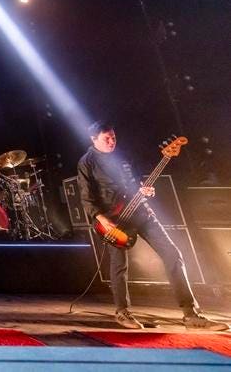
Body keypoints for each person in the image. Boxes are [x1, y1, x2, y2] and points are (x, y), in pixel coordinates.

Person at [76, 121, 228, 331]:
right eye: (106, 138)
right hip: (114, 220)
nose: (112, 142)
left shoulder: (123, 155)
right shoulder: (87, 162)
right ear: (94, 139)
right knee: (119, 266)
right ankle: (122, 312)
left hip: (141, 212)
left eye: (113, 137)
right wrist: (101, 219)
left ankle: (191, 313)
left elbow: (135, 180)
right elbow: (86, 197)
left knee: (173, 254)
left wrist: (144, 189)